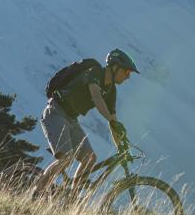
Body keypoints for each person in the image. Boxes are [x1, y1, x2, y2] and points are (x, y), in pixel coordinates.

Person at [34, 48, 139, 194]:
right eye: (127, 72)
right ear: (115, 67)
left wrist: (120, 146)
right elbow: (96, 96)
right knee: (66, 158)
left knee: (90, 158)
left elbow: (113, 122)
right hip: (55, 112)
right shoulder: (95, 72)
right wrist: (111, 120)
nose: (128, 77)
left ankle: (73, 198)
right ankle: (37, 193)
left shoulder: (111, 90)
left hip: (71, 119)